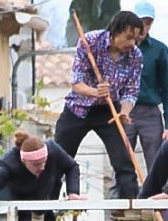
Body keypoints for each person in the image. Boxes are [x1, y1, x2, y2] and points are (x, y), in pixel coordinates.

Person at [55, 11, 144, 199]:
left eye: (136, 39)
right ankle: (45, 209)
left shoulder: (135, 56)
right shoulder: (90, 42)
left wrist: (124, 111)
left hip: (109, 113)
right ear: (115, 31)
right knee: (58, 160)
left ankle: (130, 209)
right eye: (129, 37)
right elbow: (76, 83)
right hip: (77, 109)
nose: (132, 43)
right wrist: (96, 92)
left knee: (124, 163)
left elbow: (131, 90)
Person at [0, 131, 85, 221]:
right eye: (36, 164)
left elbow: (72, 166)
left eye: (44, 162)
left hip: (41, 191)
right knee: (21, 218)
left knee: (48, 216)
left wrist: (73, 192)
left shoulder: (53, 149)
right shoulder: (9, 163)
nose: (42, 167)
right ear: (24, 161)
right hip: (14, 193)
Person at [127, 1, 168, 173]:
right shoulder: (122, 47)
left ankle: (155, 190)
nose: (144, 27)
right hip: (125, 112)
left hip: (150, 113)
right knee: (121, 161)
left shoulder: (159, 50)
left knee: (157, 165)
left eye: (148, 22)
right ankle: (120, 190)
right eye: (141, 22)